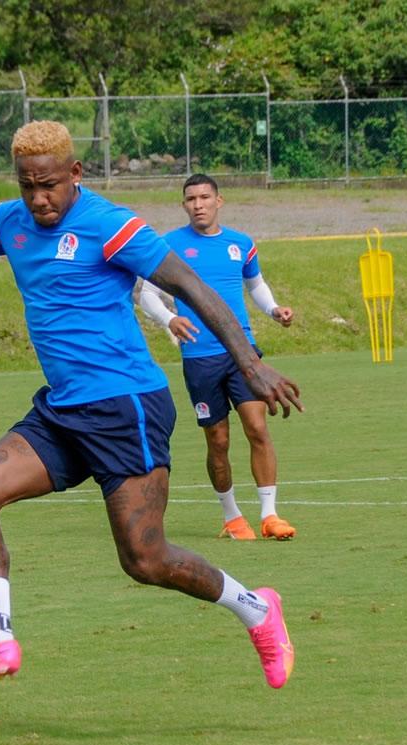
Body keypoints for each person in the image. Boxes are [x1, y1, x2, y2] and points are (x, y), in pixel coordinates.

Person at [0, 121, 303, 691]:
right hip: (62, 410)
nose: (39, 198)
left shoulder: (109, 225)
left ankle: (258, 609)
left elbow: (190, 286)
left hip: (126, 405)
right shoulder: (8, 220)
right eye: (28, 185)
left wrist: (250, 363)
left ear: (75, 174)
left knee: (145, 559)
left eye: (50, 185)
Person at [138, 175, 297, 541]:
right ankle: (232, 517)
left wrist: (273, 309)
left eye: (204, 197)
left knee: (257, 428)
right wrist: (170, 318)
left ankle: (270, 516)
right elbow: (146, 293)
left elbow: (255, 284)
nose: (198, 204)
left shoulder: (240, 244)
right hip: (200, 358)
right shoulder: (169, 246)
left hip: (242, 354)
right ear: (184, 205)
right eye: (191, 198)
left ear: (219, 201)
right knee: (218, 440)